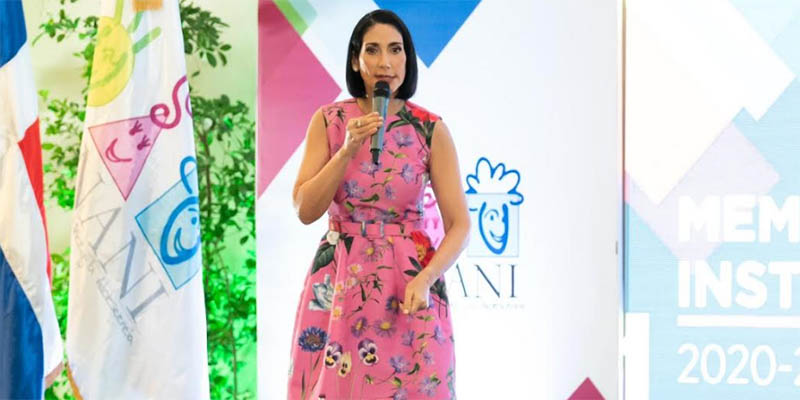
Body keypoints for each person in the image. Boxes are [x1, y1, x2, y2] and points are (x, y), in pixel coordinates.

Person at [288, 9, 470, 400]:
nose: (385, 61)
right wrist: (347, 150)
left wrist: (427, 277)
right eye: (372, 50)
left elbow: (460, 225)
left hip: (410, 283)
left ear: (408, 59)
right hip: (340, 280)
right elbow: (305, 209)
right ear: (356, 60)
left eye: (395, 50)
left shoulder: (430, 129)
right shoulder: (329, 120)